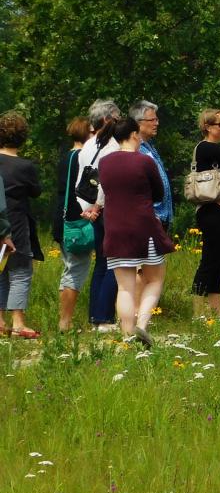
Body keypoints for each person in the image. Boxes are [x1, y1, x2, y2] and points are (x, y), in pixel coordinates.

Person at [97, 115, 172, 347]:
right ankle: (143, 323)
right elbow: (159, 193)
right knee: (154, 279)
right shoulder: (144, 161)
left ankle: (127, 335)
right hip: (144, 227)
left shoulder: (105, 162)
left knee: (124, 287)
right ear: (133, 135)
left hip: (115, 229)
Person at [78, 100, 122, 330]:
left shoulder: (87, 146)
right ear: (107, 120)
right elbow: (106, 181)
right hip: (108, 210)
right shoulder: (113, 146)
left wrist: (85, 208)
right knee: (116, 263)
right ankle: (104, 317)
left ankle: (96, 316)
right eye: (117, 116)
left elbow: (81, 182)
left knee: (101, 263)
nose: (120, 120)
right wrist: (97, 206)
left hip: (92, 212)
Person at [0, 111, 44, 338]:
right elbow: (36, 192)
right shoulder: (24, 166)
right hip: (15, 225)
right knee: (19, 273)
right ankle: (18, 322)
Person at [190, 108, 220, 315]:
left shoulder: (213, 150)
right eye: (219, 125)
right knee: (209, 261)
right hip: (212, 212)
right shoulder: (205, 148)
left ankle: (216, 312)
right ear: (208, 127)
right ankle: (198, 312)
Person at [51, 118, 92, 331]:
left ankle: (64, 320)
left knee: (70, 267)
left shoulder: (66, 156)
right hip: (76, 220)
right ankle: (65, 322)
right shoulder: (81, 157)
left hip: (62, 217)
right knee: (75, 269)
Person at [133, 100, 173, 231]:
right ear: (138, 123)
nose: (157, 123)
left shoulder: (149, 146)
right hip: (150, 217)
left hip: (160, 217)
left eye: (157, 119)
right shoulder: (135, 149)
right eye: (152, 120)